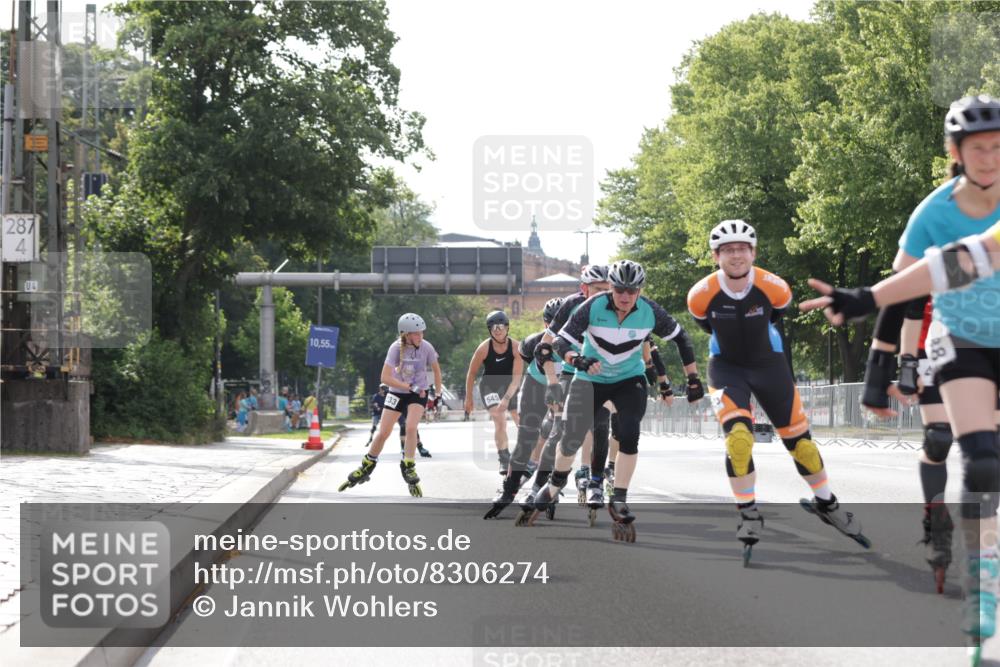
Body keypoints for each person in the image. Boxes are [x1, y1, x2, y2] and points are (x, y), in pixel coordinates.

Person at [799, 94, 1000, 644]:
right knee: (981, 460)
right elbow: (949, 269)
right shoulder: (935, 212)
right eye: (978, 148)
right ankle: (983, 581)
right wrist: (880, 348)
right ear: (956, 152)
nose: (990, 158)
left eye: (999, 148)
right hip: (962, 340)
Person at [688, 220, 868, 564]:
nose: (736, 255)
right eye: (728, 250)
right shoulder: (700, 294)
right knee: (739, 441)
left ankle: (826, 503)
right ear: (715, 256)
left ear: (753, 252)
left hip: (770, 366)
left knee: (803, 447)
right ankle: (749, 514)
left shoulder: (776, 288)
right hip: (725, 368)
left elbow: (776, 318)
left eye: (742, 248)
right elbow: (706, 324)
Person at [524, 259, 704, 541]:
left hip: (628, 379)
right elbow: (559, 342)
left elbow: (682, 339)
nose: (625, 296)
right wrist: (577, 359)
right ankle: (555, 484)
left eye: (632, 291)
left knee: (629, 431)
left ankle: (619, 496)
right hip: (590, 379)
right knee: (571, 438)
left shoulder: (650, 311)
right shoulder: (591, 306)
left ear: (640, 291)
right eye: (619, 289)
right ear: (610, 287)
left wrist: (692, 378)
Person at [339, 313, 442, 497]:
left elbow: (436, 369)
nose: (420, 336)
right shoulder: (395, 348)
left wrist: (439, 393)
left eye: (421, 333)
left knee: (411, 427)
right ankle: (367, 465)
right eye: (416, 334)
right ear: (406, 334)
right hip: (397, 391)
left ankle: (409, 465)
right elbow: (385, 378)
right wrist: (407, 386)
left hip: (419, 394)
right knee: (383, 432)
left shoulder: (426, 347)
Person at [484, 297, 565, 519]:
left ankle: (544, 483)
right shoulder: (531, 343)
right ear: (545, 323)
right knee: (527, 436)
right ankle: (509, 488)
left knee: (556, 435)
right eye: (551, 324)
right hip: (536, 385)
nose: (556, 329)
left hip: (564, 385)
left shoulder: (577, 342)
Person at [464, 311, 524, 474]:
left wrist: (506, 399)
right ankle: (504, 459)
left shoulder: (516, 347)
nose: (497, 330)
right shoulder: (484, 348)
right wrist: (468, 398)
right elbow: (471, 373)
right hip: (489, 386)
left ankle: (530, 457)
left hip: (510, 385)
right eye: (493, 327)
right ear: (489, 330)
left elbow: (517, 379)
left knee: (520, 420)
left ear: (507, 328)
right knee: (499, 419)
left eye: (500, 326)